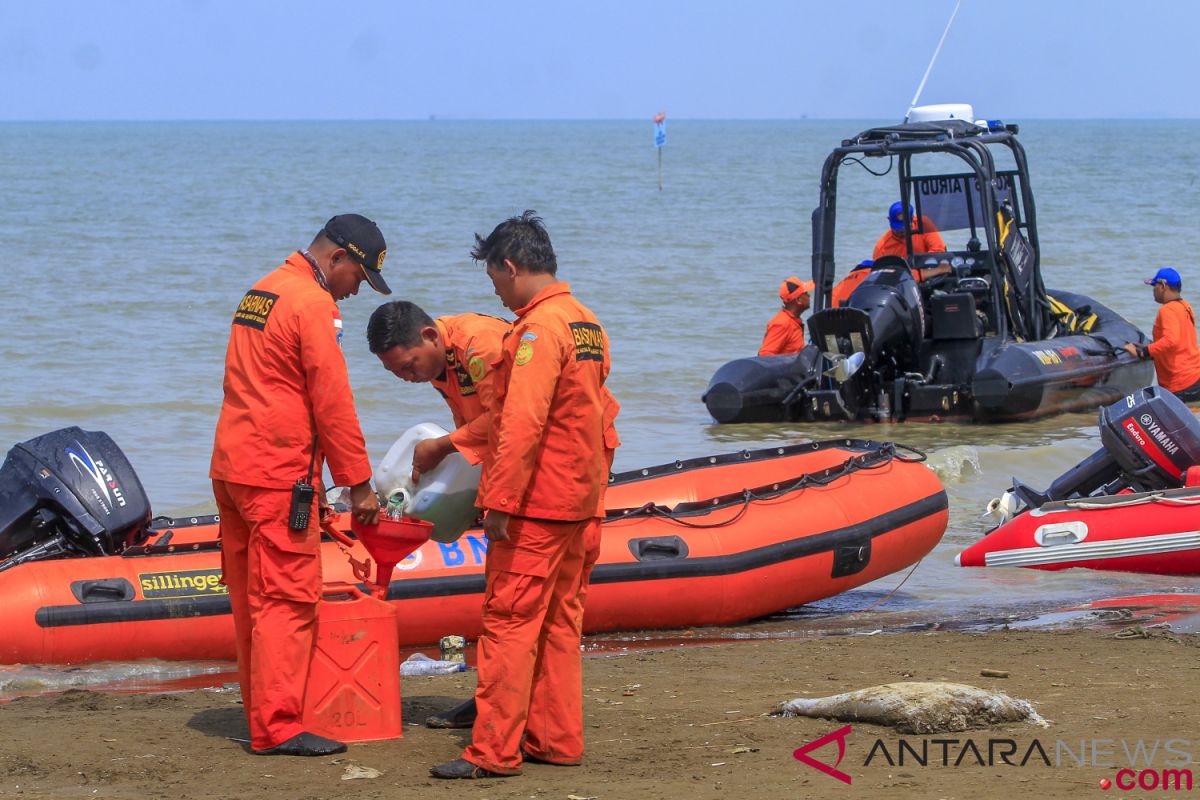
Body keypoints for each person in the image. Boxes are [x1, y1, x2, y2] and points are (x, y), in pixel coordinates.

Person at [430, 211, 620, 779]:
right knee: (561, 624)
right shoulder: (587, 322)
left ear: (509, 267)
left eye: (493, 277)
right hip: (581, 503)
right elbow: (597, 410)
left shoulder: (539, 330)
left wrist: (499, 504)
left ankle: (493, 751)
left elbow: (521, 423)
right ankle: (555, 740)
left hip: (538, 506)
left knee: (509, 626)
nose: (493, 289)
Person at [209, 214, 389, 757]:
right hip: (276, 475)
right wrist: (358, 485)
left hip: (233, 467)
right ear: (337, 259)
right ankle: (279, 726)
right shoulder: (313, 304)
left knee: (251, 600)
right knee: (287, 600)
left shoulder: (260, 291)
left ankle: (262, 713)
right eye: (359, 276)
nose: (357, 290)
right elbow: (332, 402)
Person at [366, 301, 510, 479]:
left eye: (408, 366)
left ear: (430, 335)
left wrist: (441, 446)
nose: (406, 377)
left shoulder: (477, 344)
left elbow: (504, 417)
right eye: (394, 371)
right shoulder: (435, 361)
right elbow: (468, 420)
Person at [1123, 267, 1200, 401]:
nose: (1153, 290)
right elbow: (1179, 342)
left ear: (1163, 286)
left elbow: (1171, 341)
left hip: (1181, 385)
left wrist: (1142, 352)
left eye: (1154, 286)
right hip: (1195, 377)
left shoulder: (1167, 310)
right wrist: (1150, 347)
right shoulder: (1185, 306)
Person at [873, 201, 952, 282]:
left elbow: (939, 250)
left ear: (912, 219)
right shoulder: (882, 248)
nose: (902, 230)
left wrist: (921, 269)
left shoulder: (923, 224)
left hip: (931, 276)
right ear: (889, 220)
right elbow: (879, 276)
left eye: (905, 227)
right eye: (897, 228)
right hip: (902, 283)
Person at [758, 276, 813, 356]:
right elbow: (765, 356)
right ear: (798, 300)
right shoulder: (782, 323)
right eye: (805, 293)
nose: (809, 296)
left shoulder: (794, 321)